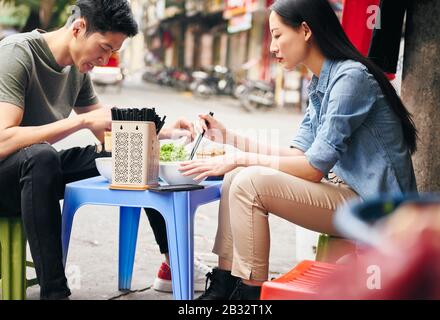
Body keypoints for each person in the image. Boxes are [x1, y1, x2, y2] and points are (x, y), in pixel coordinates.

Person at [179, 0, 418, 300]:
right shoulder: (321, 82)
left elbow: (312, 168)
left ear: (305, 30)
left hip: (376, 208)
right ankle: (224, 284)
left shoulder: (351, 79)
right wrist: (229, 138)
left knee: (248, 181)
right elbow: (298, 154)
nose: (273, 47)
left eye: (278, 36)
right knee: (237, 175)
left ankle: (250, 295)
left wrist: (238, 158)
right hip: (347, 195)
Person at [0, 0, 194, 300]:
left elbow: (107, 126)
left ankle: (172, 262)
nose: (105, 60)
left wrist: (164, 132)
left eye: (112, 52)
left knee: (134, 153)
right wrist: (81, 122)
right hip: (8, 177)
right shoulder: (18, 53)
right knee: (41, 156)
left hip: (36, 172)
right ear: (78, 28)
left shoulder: (77, 70)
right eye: (104, 48)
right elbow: (3, 140)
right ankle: (54, 293)